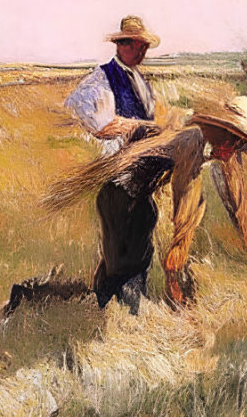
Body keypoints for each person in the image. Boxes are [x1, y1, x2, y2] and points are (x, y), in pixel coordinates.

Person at [64, 15, 208, 310]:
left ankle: (122, 307)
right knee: (122, 251)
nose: (142, 52)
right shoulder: (102, 79)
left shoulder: (141, 82)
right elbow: (101, 126)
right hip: (119, 179)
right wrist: (138, 128)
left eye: (144, 47)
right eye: (137, 46)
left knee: (140, 239)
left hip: (139, 182)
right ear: (122, 45)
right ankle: (118, 311)